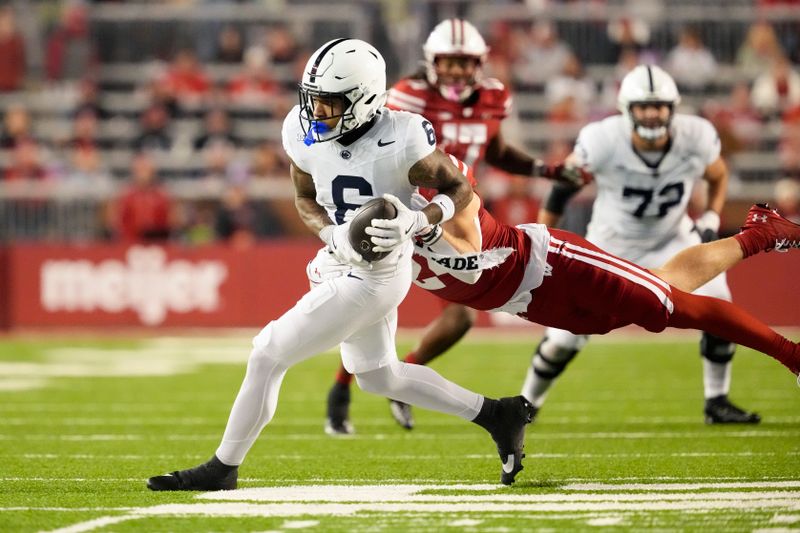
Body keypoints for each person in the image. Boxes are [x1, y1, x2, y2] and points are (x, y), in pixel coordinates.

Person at [147, 38, 537, 491]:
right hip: (340, 257)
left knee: (268, 353)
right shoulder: (300, 128)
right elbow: (304, 197)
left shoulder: (403, 135)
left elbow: (460, 190)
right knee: (378, 376)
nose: (316, 111)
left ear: (365, 99)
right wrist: (332, 233)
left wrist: (419, 217)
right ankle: (498, 415)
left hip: (379, 272)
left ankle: (223, 467)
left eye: (329, 103)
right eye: (312, 99)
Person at [325, 19, 586, 435]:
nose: (457, 72)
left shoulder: (494, 96)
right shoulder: (406, 97)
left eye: (465, 64)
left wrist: (546, 170)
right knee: (373, 301)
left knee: (461, 316)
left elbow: (494, 150)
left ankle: (401, 376)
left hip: (453, 213)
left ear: (479, 64)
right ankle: (341, 390)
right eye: (448, 62)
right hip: (405, 209)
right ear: (431, 62)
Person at [521, 65, 762, 425]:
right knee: (564, 337)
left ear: (672, 108)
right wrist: (538, 243)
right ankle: (525, 405)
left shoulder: (696, 135)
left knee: (719, 308)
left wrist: (712, 217)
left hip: (674, 240)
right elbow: (562, 188)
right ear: (627, 109)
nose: (653, 113)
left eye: (660, 106)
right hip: (611, 246)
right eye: (644, 106)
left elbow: (718, 174)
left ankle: (717, 400)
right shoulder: (603, 138)